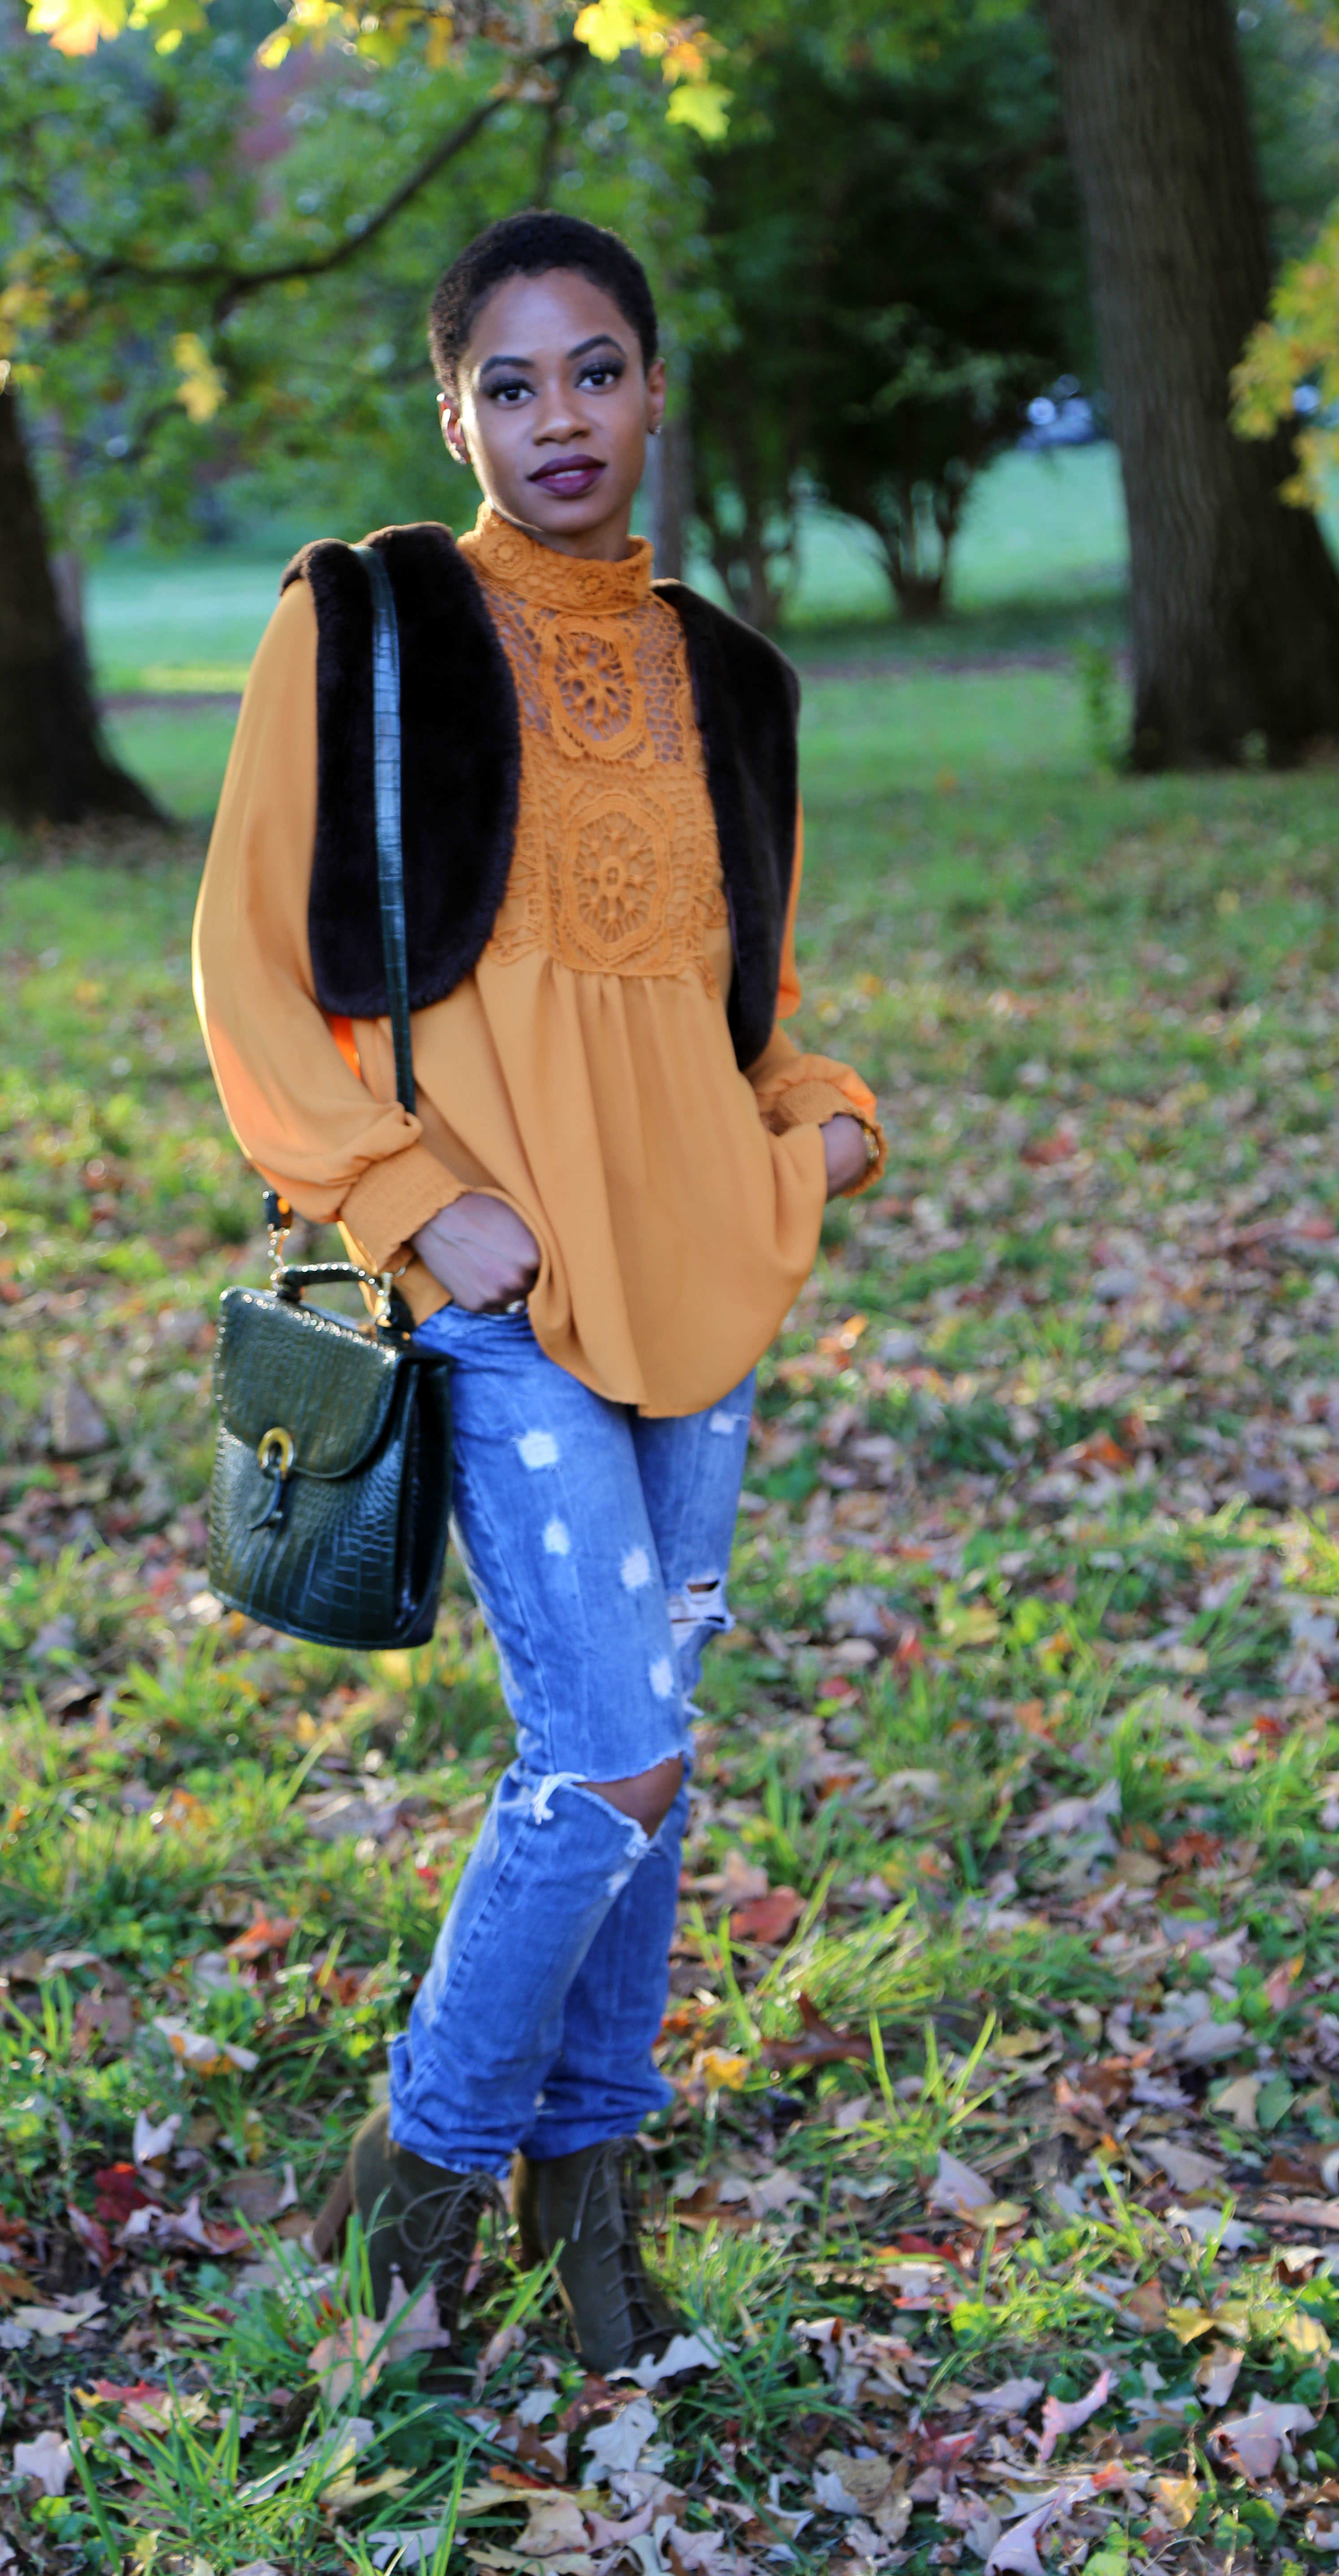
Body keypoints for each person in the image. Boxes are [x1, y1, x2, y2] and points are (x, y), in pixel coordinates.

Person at [192, 210, 884, 2375]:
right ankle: (422, 2177)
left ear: (655, 387)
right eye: (510, 382)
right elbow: (244, 967)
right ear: (452, 409)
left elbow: (745, 999)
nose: (557, 417)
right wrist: (406, 1192)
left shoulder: (732, 677)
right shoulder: (370, 621)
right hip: (497, 1288)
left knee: (653, 1751)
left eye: (595, 370)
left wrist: (832, 1124)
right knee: (603, 1755)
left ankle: (589, 2196)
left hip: (710, 1278)